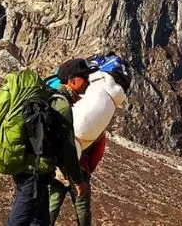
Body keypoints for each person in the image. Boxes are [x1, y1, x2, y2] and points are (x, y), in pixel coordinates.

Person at [7, 58, 93, 226]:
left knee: (40, 221)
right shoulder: (61, 105)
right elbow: (68, 148)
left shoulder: (50, 97)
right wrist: (78, 181)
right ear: (72, 80)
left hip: (32, 167)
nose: (88, 83)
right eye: (85, 78)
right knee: (19, 221)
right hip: (35, 171)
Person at [49, 55, 132, 226]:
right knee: (82, 209)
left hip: (60, 167)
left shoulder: (65, 105)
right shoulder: (93, 125)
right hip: (81, 169)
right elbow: (98, 152)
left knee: (52, 206)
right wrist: (85, 173)